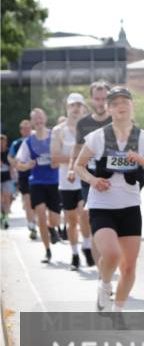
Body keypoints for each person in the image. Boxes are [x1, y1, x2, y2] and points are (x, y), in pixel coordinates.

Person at [75, 87, 144, 311]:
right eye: (115, 103)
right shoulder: (98, 137)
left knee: (129, 268)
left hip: (130, 207)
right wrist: (93, 181)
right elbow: (79, 165)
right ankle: (104, 284)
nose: (121, 106)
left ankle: (117, 311)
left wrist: (143, 162)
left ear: (132, 107)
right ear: (109, 108)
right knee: (111, 254)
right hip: (102, 206)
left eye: (125, 102)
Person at [15, 108, 62, 263]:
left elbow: (64, 156)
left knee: (54, 220)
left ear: (45, 118)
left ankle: (51, 228)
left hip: (54, 183)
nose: (38, 121)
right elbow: (18, 163)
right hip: (37, 183)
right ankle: (47, 250)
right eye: (35, 119)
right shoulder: (28, 141)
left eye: (40, 117)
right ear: (32, 122)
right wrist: (27, 165)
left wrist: (57, 161)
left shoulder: (54, 137)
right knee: (40, 213)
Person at [74, 81, 113, 266]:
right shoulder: (83, 123)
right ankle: (102, 277)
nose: (101, 103)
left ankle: (110, 264)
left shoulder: (117, 121)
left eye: (104, 98)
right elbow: (78, 150)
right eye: (97, 99)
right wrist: (73, 170)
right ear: (92, 100)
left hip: (115, 179)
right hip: (89, 178)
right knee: (95, 222)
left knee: (115, 230)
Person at [50, 93, 88, 270]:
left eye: (79, 105)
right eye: (73, 105)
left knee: (85, 215)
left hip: (86, 180)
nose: (76, 108)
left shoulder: (91, 129)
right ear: (67, 108)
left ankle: (87, 245)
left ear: (83, 108)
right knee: (72, 220)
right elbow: (54, 159)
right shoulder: (58, 131)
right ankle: (74, 254)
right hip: (66, 182)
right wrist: (77, 159)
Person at [9, 120, 38, 239]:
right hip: (24, 176)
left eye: (28, 128)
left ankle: (34, 221)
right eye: (24, 128)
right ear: (21, 130)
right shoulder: (16, 143)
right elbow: (10, 157)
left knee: (36, 204)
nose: (27, 130)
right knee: (27, 202)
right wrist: (18, 166)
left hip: (37, 176)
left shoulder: (36, 141)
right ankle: (31, 225)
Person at [1, 134, 13, 229]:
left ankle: (6, 219)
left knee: (7, 200)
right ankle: (2, 215)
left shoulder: (9, 152)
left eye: (3, 141)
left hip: (7, 178)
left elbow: (12, 164)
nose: (1, 143)